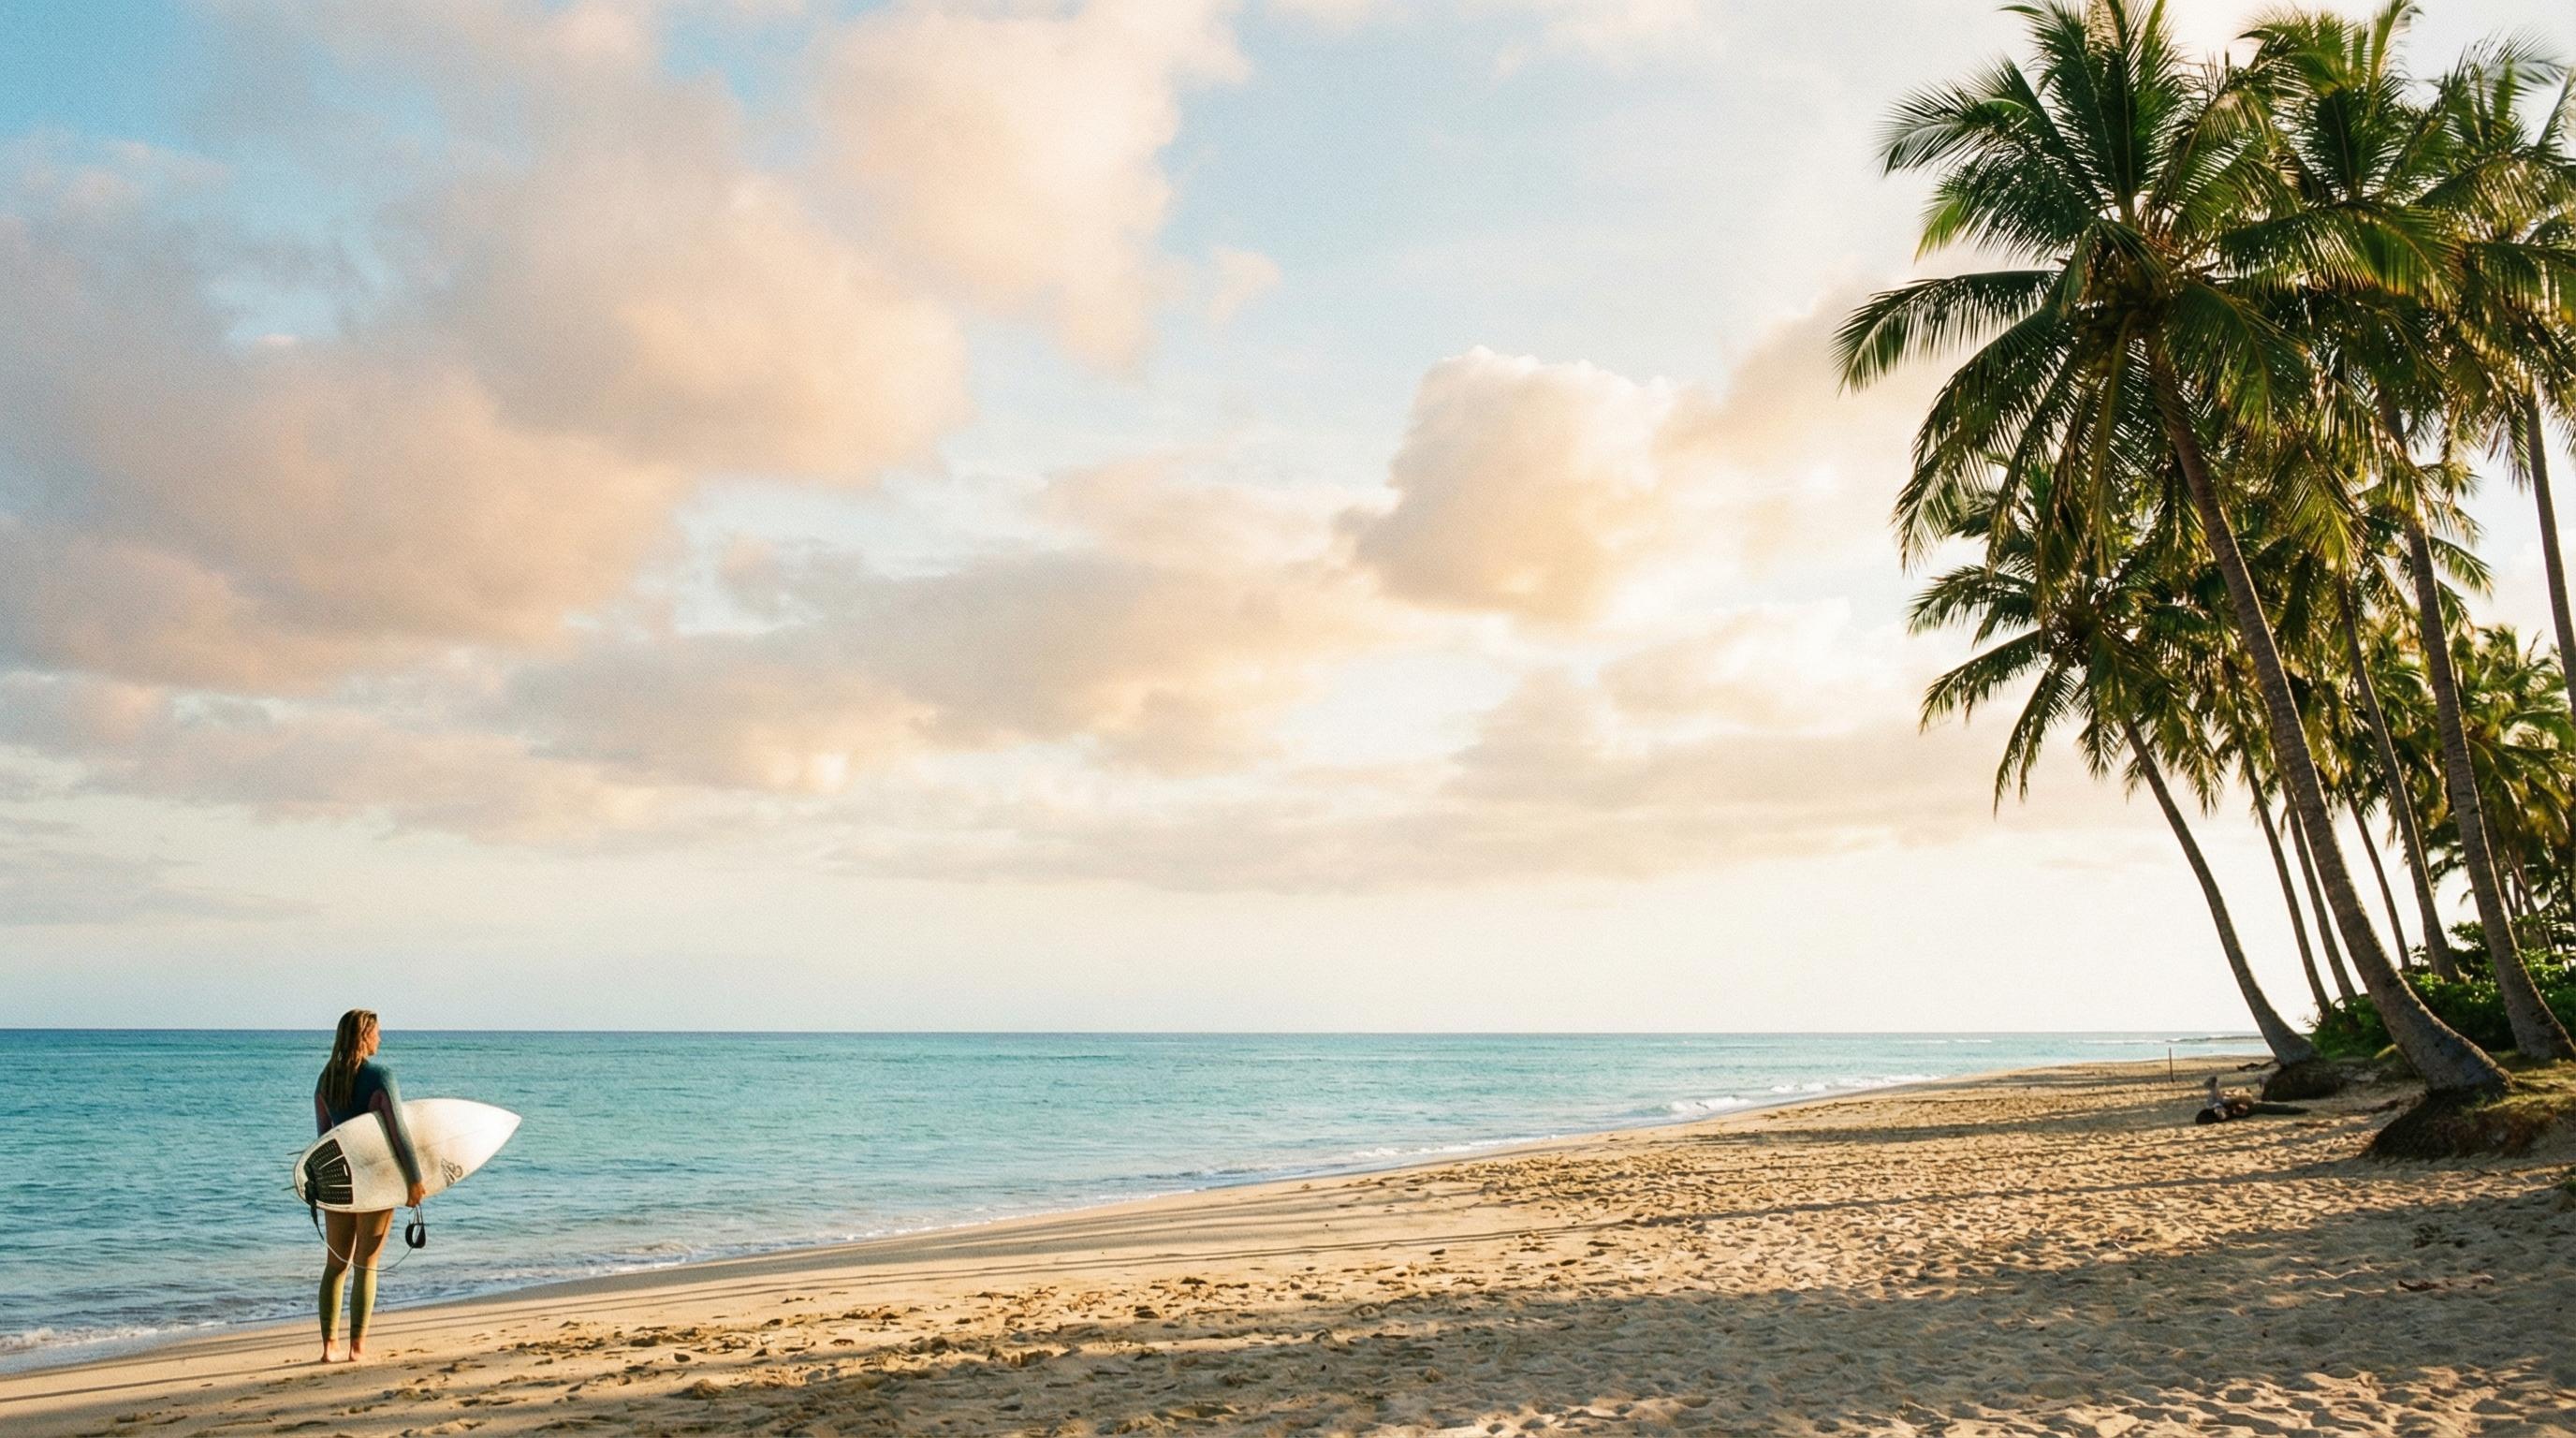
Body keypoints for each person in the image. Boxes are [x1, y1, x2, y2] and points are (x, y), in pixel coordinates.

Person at [313, 1009, 426, 1362]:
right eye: (376, 1033)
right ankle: (357, 1348)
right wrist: (415, 1179)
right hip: (375, 1179)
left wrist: (319, 1186)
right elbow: (399, 1131)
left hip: (339, 1183)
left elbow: (324, 1140)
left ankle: (329, 1347)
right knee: (366, 1263)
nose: (380, 1039)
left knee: (335, 1264)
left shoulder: (325, 1079)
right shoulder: (380, 1076)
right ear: (365, 1036)